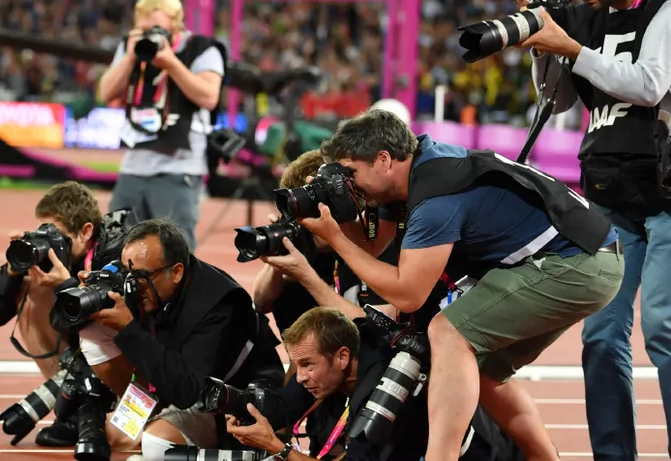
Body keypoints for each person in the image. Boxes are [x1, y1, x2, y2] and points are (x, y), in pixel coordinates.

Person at [305, 108, 622, 461]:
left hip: (576, 263)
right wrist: (340, 213)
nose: (349, 183)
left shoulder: (436, 195)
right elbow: (372, 248)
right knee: (485, 372)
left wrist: (334, 238)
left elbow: (408, 294)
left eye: (351, 173)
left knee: (449, 333)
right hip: (583, 257)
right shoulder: (416, 170)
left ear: (383, 160)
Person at [518, 0, 671, 461]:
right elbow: (557, 103)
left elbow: (651, 84)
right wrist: (544, 46)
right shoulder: (587, 19)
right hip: (610, 194)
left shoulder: (666, 4)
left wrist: (572, 45)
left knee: (662, 326)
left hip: (668, 195)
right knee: (601, 338)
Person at [74, 218, 284, 461]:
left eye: (141, 275)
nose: (131, 284)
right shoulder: (143, 285)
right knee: (94, 333)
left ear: (176, 272)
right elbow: (63, 321)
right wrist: (84, 296)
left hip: (229, 400)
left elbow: (187, 392)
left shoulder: (220, 305)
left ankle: (246, 458)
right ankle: (153, 413)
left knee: (155, 445)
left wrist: (129, 329)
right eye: (127, 273)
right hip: (175, 383)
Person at [224, 307, 522, 461]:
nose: (300, 376)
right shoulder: (344, 359)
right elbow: (284, 405)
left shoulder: (388, 387)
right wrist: (244, 406)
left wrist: (277, 447)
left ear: (341, 357)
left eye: (307, 365)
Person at [0, 181, 133, 447]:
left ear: (86, 231)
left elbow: (106, 323)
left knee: (123, 440)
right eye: (44, 231)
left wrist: (65, 284)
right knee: (32, 289)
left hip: (131, 366)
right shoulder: (52, 257)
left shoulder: (117, 253)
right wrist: (13, 270)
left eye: (57, 234)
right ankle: (71, 404)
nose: (50, 242)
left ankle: (94, 405)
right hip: (83, 356)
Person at [96, 0, 224, 250]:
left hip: (179, 169)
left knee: (173, 251)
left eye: (157, 30)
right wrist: (130, 56)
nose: (150, 36)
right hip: (134, 166)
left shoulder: (203, 48)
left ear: (176, 26)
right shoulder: (132, 47)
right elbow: (106, 93)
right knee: (114, 245)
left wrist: (170, 62)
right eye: (144, 29)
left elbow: (209, 96)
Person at [251, 150, 395, 334]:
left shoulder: (380, 240)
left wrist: (306, 276)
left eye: (309, 211)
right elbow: (261, 302)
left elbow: (380, 326)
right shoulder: (304, 240)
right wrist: (276, 261)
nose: (305, 223)